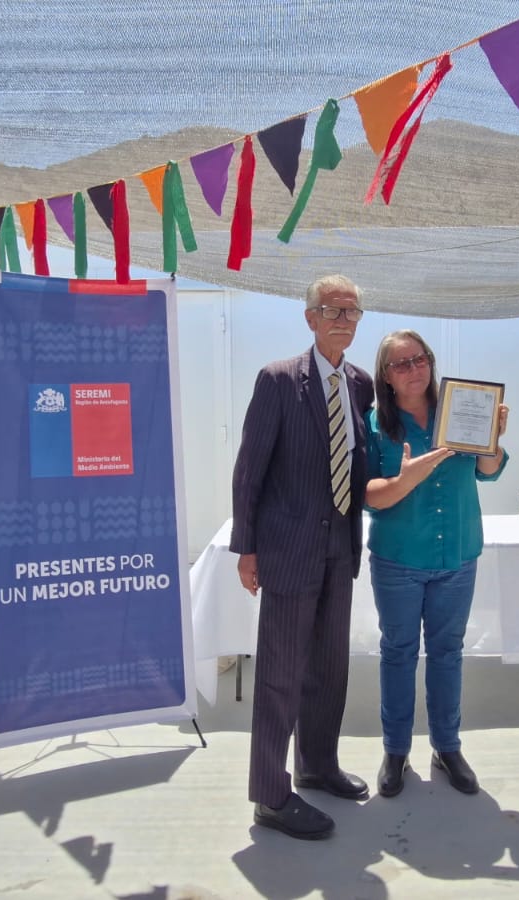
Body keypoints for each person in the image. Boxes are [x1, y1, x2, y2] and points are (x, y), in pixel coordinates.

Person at [230, 274, 374, 841]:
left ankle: (317, 764)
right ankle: (270, 795)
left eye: (352, 311)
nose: (343, 320)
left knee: (329, 669)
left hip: (340, 552)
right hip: (289, 552)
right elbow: (249, 472)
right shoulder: (278, 380)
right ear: (310, 318)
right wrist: (247, 548)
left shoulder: (360, 384)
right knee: (279, 678)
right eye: (331, 310)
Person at [362, 329, 508, 798]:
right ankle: (396, 750)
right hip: (399, 559)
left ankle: (447, 747)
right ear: (386, 376)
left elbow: (489, 471)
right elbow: (369, 497)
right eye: (400, 363)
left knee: (448, 653)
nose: (413, 369)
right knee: (399, 652)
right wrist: (409, 477)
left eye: (419, 358)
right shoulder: (375, 424)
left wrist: (494, 441)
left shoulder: (463, 411)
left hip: (458, 554)